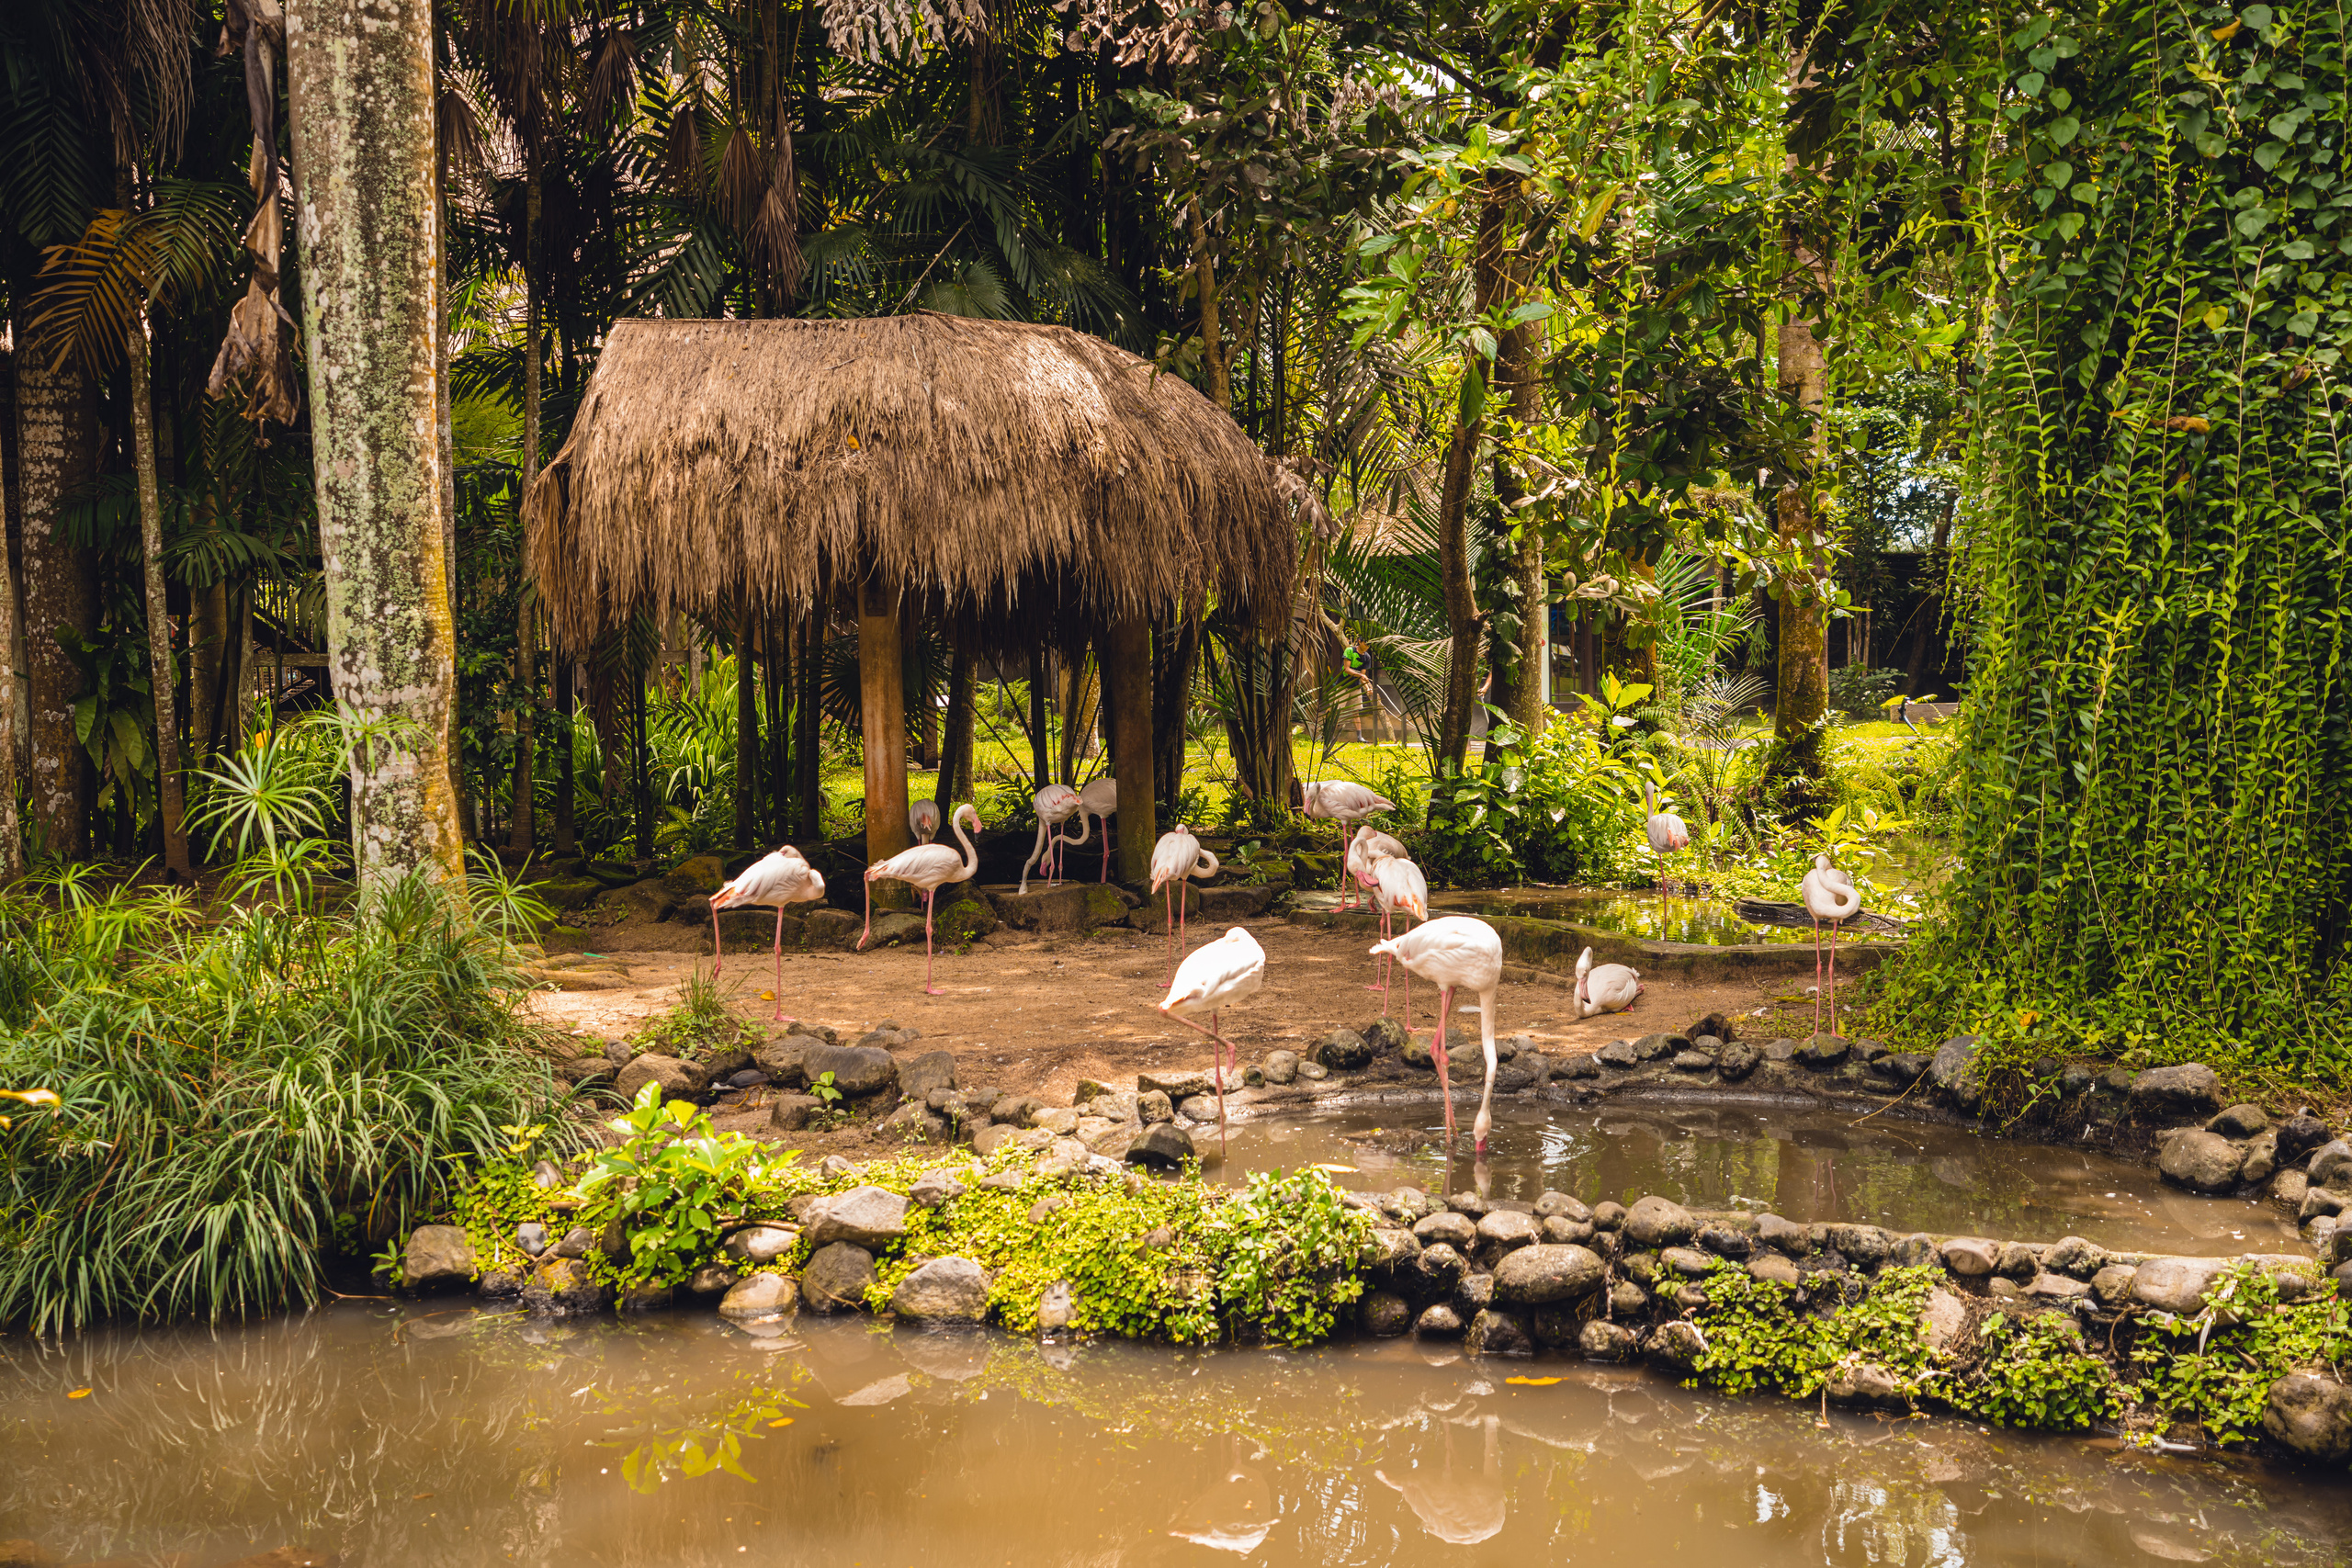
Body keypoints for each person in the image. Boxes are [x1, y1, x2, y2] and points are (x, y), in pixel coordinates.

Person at [1343, 637, 1375, 742]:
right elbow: (1347, 669)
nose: (1367, 647)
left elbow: (1363, 676)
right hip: (1342, 685)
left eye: (1368, 645)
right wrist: (1360, 675)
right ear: (1359, 641)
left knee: (1356, 712)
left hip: (1356, 686)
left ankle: (1359, 737)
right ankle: (1326, 735)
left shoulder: (1367, 657)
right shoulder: (1349, 650)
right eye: (1365, 644)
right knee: (1336, 710)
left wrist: (1368, 688)